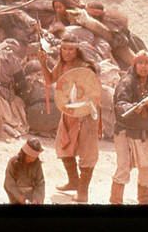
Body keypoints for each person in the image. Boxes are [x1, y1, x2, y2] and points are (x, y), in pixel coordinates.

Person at [37, 34, 102, 203]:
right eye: (64, 49)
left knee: (87, 152)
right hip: (69, 113)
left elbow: (94, 92)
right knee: (63, 146)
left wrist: (82, 106)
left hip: (86, 115)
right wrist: (43, 63)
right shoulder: (62, 64)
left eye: (71, 49)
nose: (67, 53)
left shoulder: (86, 67)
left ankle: (83, 191)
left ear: (77, 50)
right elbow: (50, 80)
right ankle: (73, 181)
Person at [110, 49, 148, 205]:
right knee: (123, 169)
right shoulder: (126, 82)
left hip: (144, 132)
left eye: (147, 64)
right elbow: (120, 106)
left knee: (147, 170)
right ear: (135, 65)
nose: (143, 67)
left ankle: (144, 202)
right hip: (124, 131)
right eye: (140, 63)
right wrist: (134, 108)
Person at [4, 137, 46, 205]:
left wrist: (36, 199)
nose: (31, 159)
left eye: (34, 158)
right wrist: (18, 196)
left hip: (32, 195)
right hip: (16, 194)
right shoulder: (14, 162)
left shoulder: (37, 164)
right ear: (24, 153)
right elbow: (9, 182)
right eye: (29, 156)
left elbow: (40, 183)